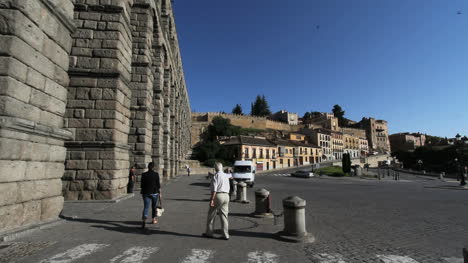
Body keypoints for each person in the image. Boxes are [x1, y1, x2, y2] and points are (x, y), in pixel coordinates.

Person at [203, 162, 231, 240]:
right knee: (224, 216)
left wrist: (212, 199)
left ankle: (209, 233)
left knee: (211, 215)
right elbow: (231, 177)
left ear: (215, 168)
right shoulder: (226, 176)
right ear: (221, 168)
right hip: (226, 196)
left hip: (218, 196)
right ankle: (226, 235)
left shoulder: (216, 176)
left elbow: (214, 190)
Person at [140, 162, 161, 229]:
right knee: (154, 207)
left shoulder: (143, 174)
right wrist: (160, 193)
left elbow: (142, 185)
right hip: (154, 193)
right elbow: (158, 185)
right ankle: (153, 219)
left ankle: (144, 219)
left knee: (146, 207)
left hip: (146, 193)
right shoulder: (156, 174)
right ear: (153, 167)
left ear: (148, 167)